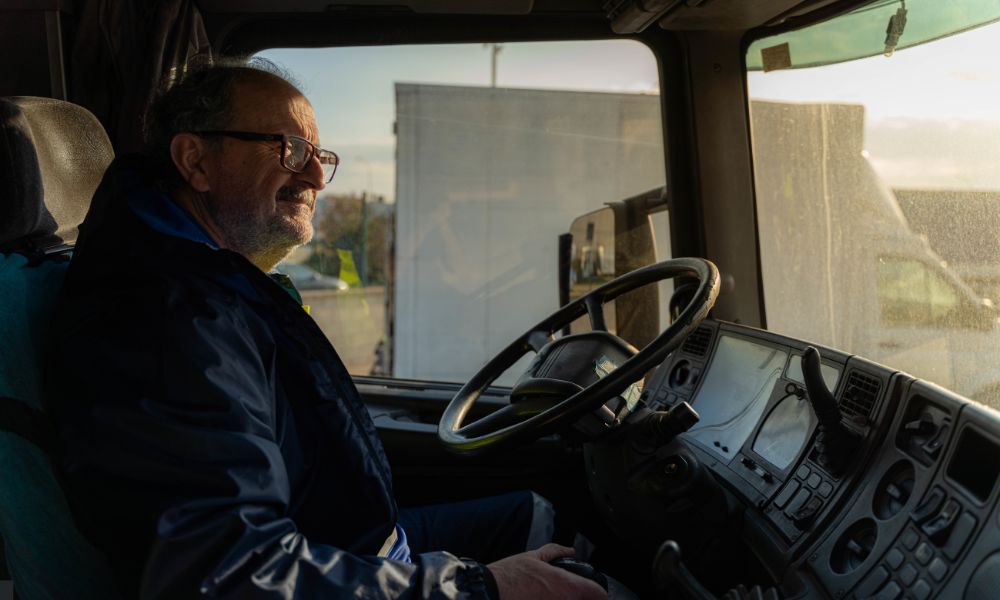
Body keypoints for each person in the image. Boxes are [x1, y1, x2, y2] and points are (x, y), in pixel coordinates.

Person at [47, 58, 607, 599]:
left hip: (350, 553)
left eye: (319, 155)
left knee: (543, 516)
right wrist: (478, 588)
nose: (316, 175)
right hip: (323, 568)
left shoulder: (213, 284)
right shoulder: (169, 318)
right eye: (290, 150)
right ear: (196, 160)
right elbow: (230, 574)